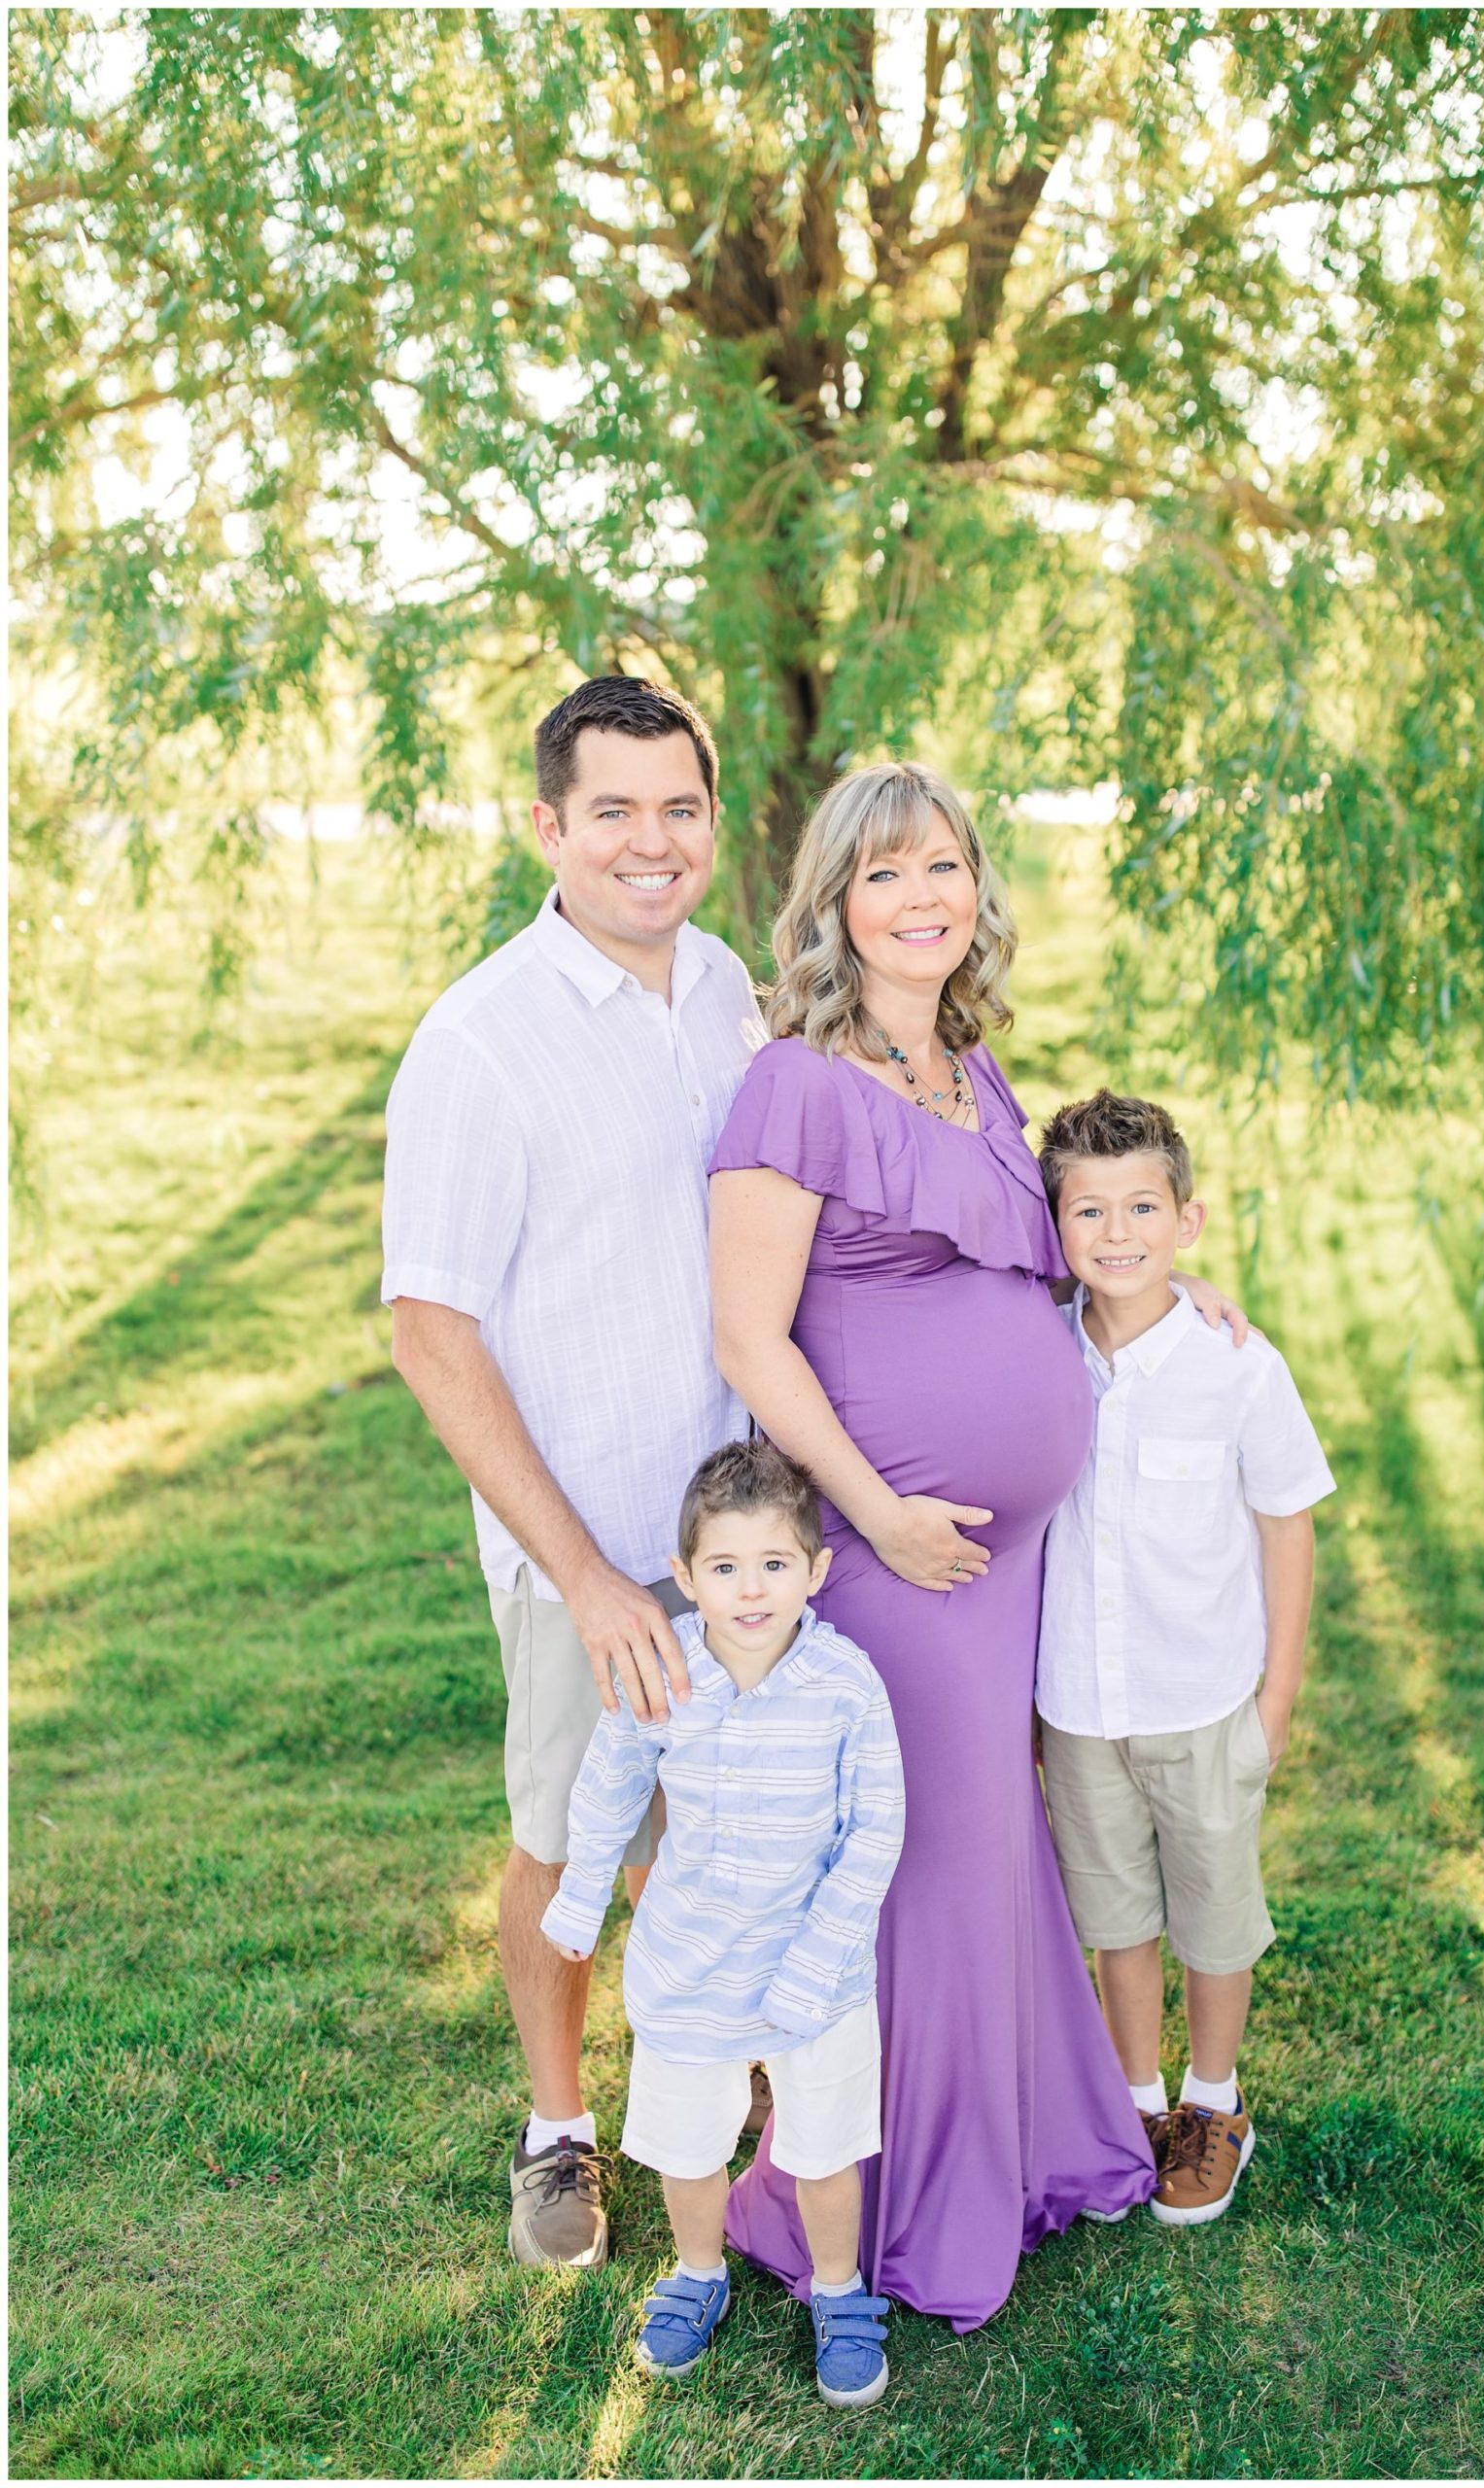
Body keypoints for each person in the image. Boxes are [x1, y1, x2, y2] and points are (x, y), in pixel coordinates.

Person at [706, 760, 1248, 2333]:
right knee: (922, 1859)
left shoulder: (979, 1072)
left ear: (974, 887)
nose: (921, 896)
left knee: (987, 1847)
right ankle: (897, 2199)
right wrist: (873, 1512)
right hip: (891, 1546)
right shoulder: (793, 1083)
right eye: (883, 875)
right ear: (833, 904)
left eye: (941, 865)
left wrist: (1175, 1302)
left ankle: (1019, 2145)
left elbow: (1053, 1265)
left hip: (999, 1559)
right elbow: (750, 1337)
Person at [381, 675, 765, 2270]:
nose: (648, 841)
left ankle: (708, 2091)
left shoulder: (728, 989)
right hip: (580, 1548)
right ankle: (555, 2133)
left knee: (722, 1829)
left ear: (712, 825)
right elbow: (427, 1332)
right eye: (611, 810)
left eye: (677, 807)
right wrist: (591, 1575)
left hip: (738, 1534)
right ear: (548, 827)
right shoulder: (479, 1043)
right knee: (567, 1849)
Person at [541, 1439, 905, 2409]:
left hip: (813, 1973)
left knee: (824, 2144)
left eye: (774, 1564)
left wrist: (815, 1962)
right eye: (725, 1567)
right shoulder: (668, 1669)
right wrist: (581, 1891)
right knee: (690, 2142)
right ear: (685, 1576)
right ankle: (696, 2271)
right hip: (689, 1959)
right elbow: (613, 1775)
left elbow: (875, 1829)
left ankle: (838, 2291)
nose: (751, 1589)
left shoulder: (844, 1684)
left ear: (815, 1570)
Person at [1035, 1089, 1335, 2224]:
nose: (1116, 1234)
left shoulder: (1235, 1365)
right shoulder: (1041, 1352)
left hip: (1202, 1697)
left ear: (1188, 1219)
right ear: (1054, 1229)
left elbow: (1285, 1520)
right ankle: (1136, 2099)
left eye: (1141, 1208)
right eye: (1088, 1212)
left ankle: (1214, 2102)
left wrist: (1277, 1695)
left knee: (1212, 1909)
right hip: (1075, 1702)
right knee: (1115, 1914)